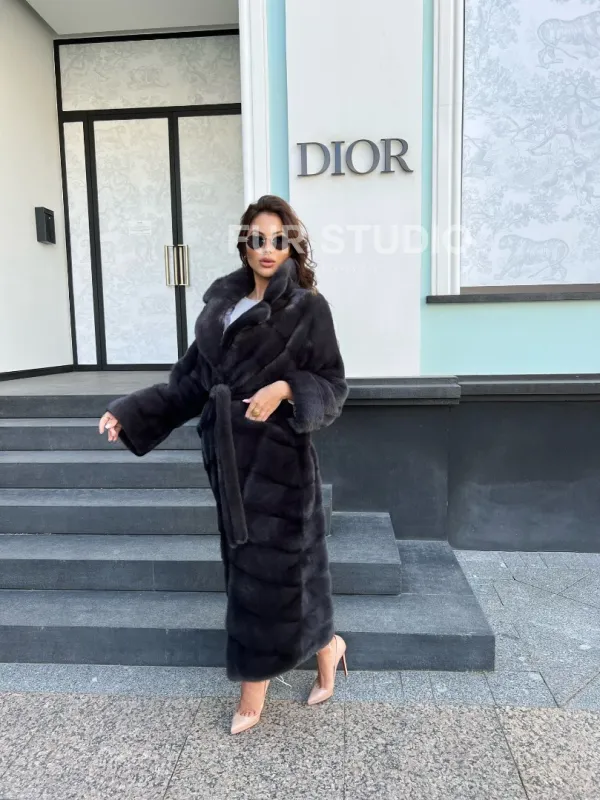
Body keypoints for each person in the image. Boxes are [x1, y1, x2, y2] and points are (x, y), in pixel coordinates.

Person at [98, 194, 349, 734]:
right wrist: (129, 413)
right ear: (244, 244)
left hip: (280, 467)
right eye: (258, 238)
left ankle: (254, 688)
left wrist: (285, 389)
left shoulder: (307, 307)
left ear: (291, 246)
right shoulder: (219, 309)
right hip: (229, 465)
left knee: (271, 576)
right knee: (270, 574)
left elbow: (332, 385)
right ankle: (328, 645)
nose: (268, 248)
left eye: (279, 239)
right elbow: (187, 385)